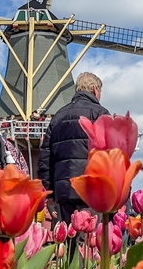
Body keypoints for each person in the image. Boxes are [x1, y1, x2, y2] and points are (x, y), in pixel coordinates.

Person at [38, 72, 109, 237]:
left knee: (69, 240)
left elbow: (45, 158)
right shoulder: (100, 113)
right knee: (91, 242)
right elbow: (108, 154)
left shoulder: (58, 116)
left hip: (64, 189)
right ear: (94, 89)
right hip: (92, 189)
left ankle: (71, 262)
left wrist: (49, 191)